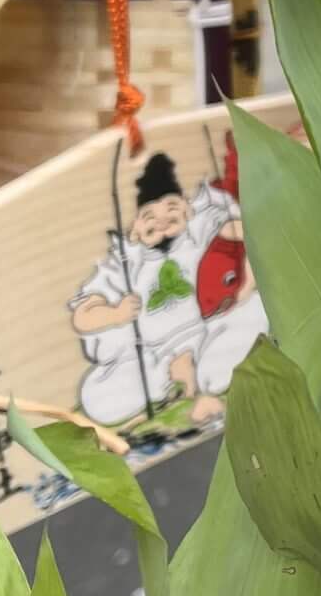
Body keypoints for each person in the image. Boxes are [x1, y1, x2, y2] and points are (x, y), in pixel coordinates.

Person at [69, 150, 264, 428]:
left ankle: (206, 383)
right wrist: (115, 314)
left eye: (171, 210)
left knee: (256, 309)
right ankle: (177, 381)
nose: (161, 222)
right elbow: (82, 317)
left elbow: (249, 232)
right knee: (95, 395)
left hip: (209, 334)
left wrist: (247, 285)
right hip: (156, 357)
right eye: (149, 216)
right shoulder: (125, 262)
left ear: (186, 209)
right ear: (135, 227)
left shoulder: (199, 231)